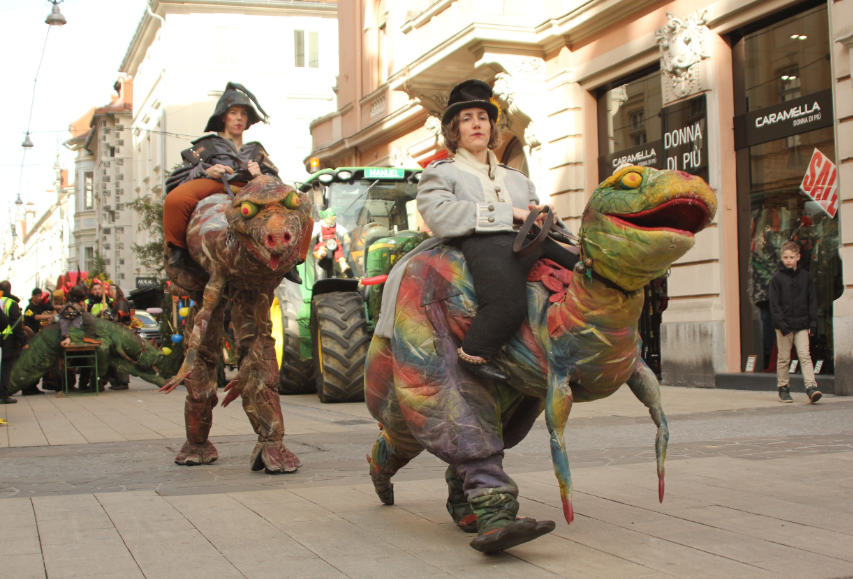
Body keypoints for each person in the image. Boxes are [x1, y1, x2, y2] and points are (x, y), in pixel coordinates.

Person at [416, 79, 578, 382]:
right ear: (455, 129)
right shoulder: (440, 172)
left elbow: (534, 214)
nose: (476, 124)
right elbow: (440, 216)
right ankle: (475, 353)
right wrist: (509, 213)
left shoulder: (517, 177)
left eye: (482, 117)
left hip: (528, 241)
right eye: (467, 119)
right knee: (506, 299)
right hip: (477, 243)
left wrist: (546, 217)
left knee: (583, 266)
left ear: (491, 126)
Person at [163, 82, 308, 284]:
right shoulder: (205, 146)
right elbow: (177, 178)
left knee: (301, 210)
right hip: (213, 186)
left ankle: (292, 261)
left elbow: (277, 186)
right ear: (223, 116)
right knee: (175, 199)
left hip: (249, 191)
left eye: (243, 113)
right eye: (233, 112)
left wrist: (260, 175)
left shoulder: (256, 150)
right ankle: (177, 250)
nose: (239, 118)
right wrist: (206, 170)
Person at [769, 240, 821, 404]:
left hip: (802, 325)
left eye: (791, 257)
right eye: (785, 257)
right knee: (784, 358)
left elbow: (812, 300)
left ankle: (811, 387)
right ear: (782, 258)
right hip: (784, 326)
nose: (788, 260)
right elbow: (774, 305)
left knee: (805, 356)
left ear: (798, 257)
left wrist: (813, 323)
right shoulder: (777, 278)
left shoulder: (805, 277)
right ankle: (783, 388)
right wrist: (782, 326)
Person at [59, 288, 102, 391]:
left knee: (87, 360)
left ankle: (82, 384)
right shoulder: (70, 307)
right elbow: (64, 323)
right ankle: (80, 384)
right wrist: (67, 337)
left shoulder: (73, 306)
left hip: (77, 336)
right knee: (87, 360)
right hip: (75, 336)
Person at [0, 281, 29, 404]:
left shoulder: (1, 300)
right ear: (10, 289)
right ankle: (3, 395)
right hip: (8, 339)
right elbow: (16, 325)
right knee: (6, 368)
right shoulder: (12, 303)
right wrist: (23, 342)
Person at [105, 285, 131, 390]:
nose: (108, 292)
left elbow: (119, 318)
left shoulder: (121, 302)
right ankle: (116, 380)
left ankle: (123, 381)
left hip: (121, 332)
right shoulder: (116, 302)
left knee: (120, 356)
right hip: (116, 332)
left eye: (109, 290)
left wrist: (109, 315)